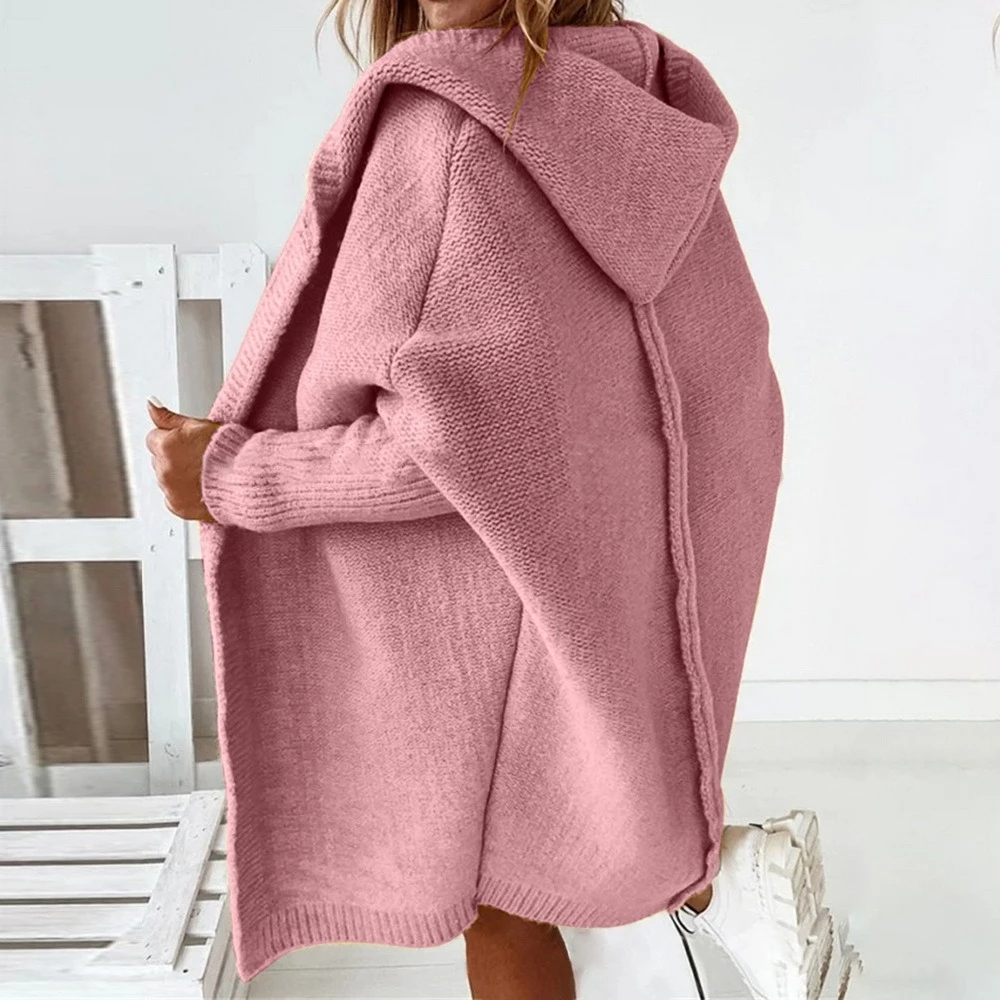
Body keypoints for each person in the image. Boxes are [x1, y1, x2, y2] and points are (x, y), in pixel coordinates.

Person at [145, 1, 852, 998]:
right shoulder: (635, 101)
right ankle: (711, 879)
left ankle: (710, 882)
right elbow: (717, 374)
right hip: (614, 567)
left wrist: (230, 474)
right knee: (553, 856)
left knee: (501, 901)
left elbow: (444, 450)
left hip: (485, 598)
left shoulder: (443, 126)